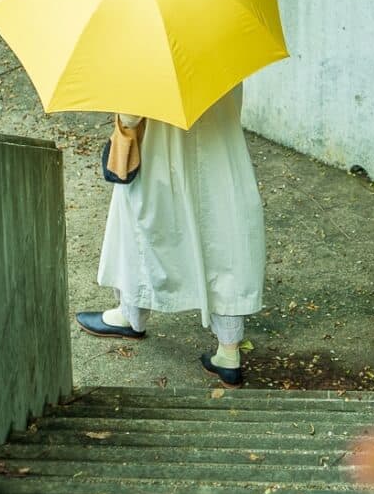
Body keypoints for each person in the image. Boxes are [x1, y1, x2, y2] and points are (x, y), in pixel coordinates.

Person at [74, 85, 265, 387]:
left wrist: (124, 122)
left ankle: (131, 314)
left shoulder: (151, 53)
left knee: (141, 226)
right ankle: (229, 351)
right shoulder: (221, 53)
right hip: (220, 144)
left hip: (161, 149)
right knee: (223, 238)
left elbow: (134, 108)